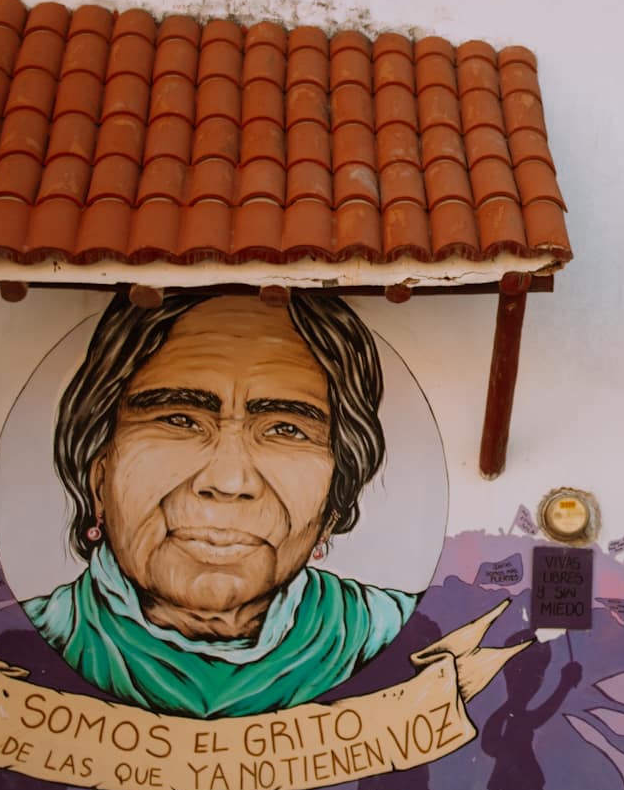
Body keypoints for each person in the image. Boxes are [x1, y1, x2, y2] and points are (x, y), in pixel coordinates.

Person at [21, 292, 416, 718]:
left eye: (285, 429)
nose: (228, 481)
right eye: (178, 420)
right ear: (99, 472)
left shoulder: (389, 632)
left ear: (335, 500)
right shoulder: (35, 638)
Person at [482, 640, 582, 790]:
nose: (534, 682)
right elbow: (489, 744)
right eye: (528, 675)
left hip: (522, 779)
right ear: (510, 676)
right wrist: (564, 685)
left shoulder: (516, 715)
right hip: (510, 779)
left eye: (538, 676)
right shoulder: (506, 715)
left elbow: (542, 714)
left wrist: (565, 685)